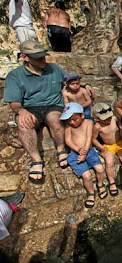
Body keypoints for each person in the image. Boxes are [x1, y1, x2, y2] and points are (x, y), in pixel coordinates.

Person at [4, 40, 74, 183]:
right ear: (25, 57)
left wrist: (84, 86)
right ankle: (36, 160)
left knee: (55, 118)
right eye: (37, 57)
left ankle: (61, 149)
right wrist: (21, 111)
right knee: (23, 123)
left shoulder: (54, 69)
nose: (43, 60)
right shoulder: (15, 76)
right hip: (30, 107)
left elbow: (70, 80)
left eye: (43, 56)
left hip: (53, 104)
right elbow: (14, 103)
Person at [61, 102, 107, 208]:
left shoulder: (88, 123)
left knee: (100, 169)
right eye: (69, 120)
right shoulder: (68, 126)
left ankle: (100, 184)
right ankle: (91, 193)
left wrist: (84, 152)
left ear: (82, 115)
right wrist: (78, 149)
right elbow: (68, 141)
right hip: (74, 153)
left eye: (74, 119)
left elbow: (88, 138)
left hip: (89, 151)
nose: (72, 122)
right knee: (86, 176)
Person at [92, 103, 122, 197]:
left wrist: (121, 128)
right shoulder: (97, 126)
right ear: (97, 118)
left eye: (109, 117)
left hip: (119, 143)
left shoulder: (114, 119)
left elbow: (120, 124)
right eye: (105, 118)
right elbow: (93, 139)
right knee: (109, 162)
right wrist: (101, 147)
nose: (108, 119)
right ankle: (112, 182)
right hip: (108, 146)